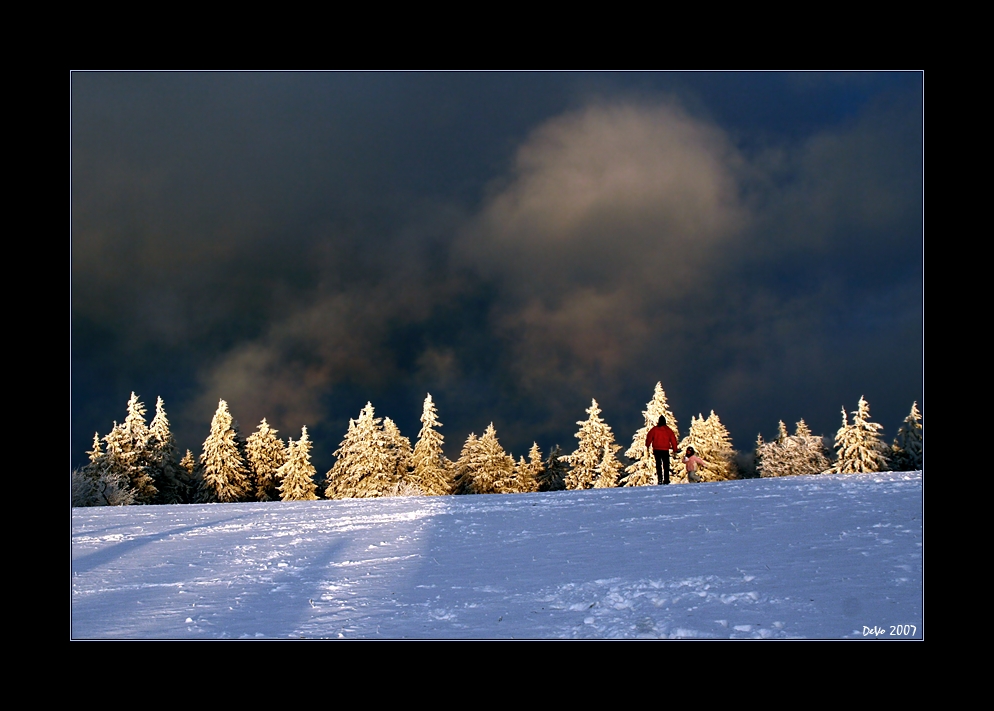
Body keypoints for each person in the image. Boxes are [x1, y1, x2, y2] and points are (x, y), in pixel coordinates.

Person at [645, 415, 678, 485]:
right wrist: (675, 449)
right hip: (665, 450)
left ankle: (660, 478)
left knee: (658, 464)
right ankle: (666, 479)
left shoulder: (654, 429)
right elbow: (673, 440)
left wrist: (647, 445)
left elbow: (649, 437)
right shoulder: (668, 430)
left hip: (656, 449)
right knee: (666, 465)